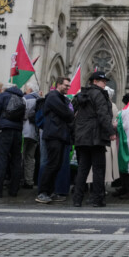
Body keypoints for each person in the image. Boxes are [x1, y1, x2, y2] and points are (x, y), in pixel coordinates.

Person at [73, 70, 116, 208]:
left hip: (82, 137)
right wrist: (111, 131)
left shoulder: (81, 95)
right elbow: (103, 115)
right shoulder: (99, 94)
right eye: (103, 81)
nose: (105, 84)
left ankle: (77, 199)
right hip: (96, 137)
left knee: (83, 169)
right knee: (98, 169)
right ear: (95, 81)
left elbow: (73, 114)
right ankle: (97, 199)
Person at [36, 77, 73, 204]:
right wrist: (69, 113)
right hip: (54, 135)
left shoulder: (61, 98)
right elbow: (68, 114)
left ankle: (50, 192)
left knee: (56, 165)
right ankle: (42, 192)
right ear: (58, 85)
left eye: (69, 86)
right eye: (66, 85)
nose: (68, 88)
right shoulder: (53, 96)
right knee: (52, 164)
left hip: (60, 135)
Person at [21, 86, 40, 190]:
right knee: (30, 158)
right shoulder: (40, 99)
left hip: (25, 131)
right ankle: (29, 181)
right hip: (35, 133)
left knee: (21, 156)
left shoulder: (26, 98)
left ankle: (19, 179)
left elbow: (24, 114)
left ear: (30, 90)